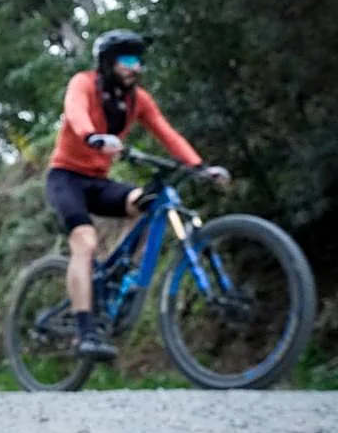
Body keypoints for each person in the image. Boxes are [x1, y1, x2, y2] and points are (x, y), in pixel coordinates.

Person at [46, 28, 231, 361]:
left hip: (99, 181)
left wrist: (200, 167)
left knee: (149, 205)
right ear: (108, 63)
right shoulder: (84, 83)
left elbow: (166, 132)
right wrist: (92, 136)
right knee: (84, 243)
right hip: (66, 179)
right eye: (128, 60)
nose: (136, 67)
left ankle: (121, 272)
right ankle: (84, 332)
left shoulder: (137, 100)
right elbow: (75, 112)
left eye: (139, 60)